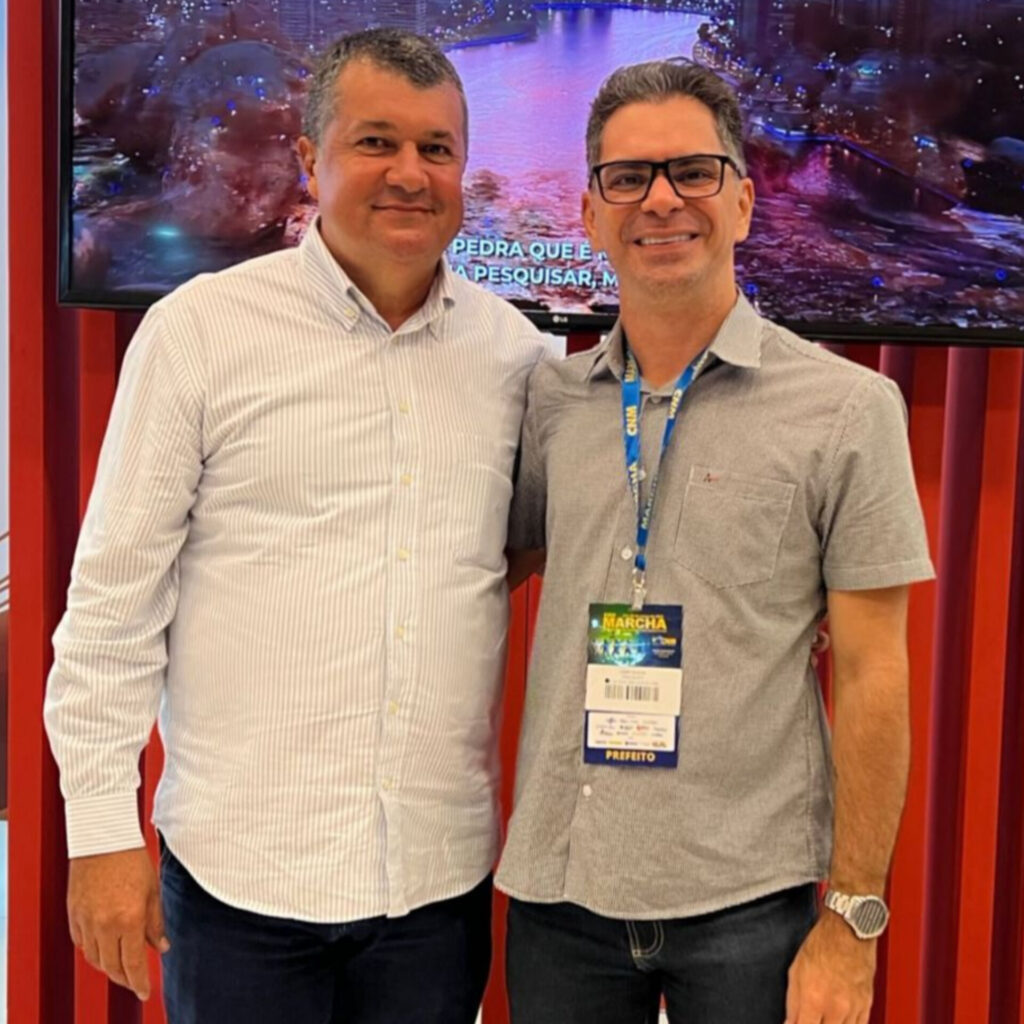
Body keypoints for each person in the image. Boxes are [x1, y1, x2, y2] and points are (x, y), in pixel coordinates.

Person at [44, 28, 545, 1024]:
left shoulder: (518, 356)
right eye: (376, 142)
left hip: (434, 887)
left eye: (437, 148)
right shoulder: (200, 332)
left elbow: (512, 554)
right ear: (312, 159)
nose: (409, 173)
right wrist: (100, 833)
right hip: (242, 882)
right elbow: (113, 601)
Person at [497, 59, 934, 1024]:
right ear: (591, 214)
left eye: (693, 171)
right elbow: (476, 579)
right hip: (561, 892)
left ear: (742, 201)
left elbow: (875, 674)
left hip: (750, 904)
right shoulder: (552, 402)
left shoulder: (848, 409)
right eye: (628, 178)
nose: (661, 200)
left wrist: (854, 919)